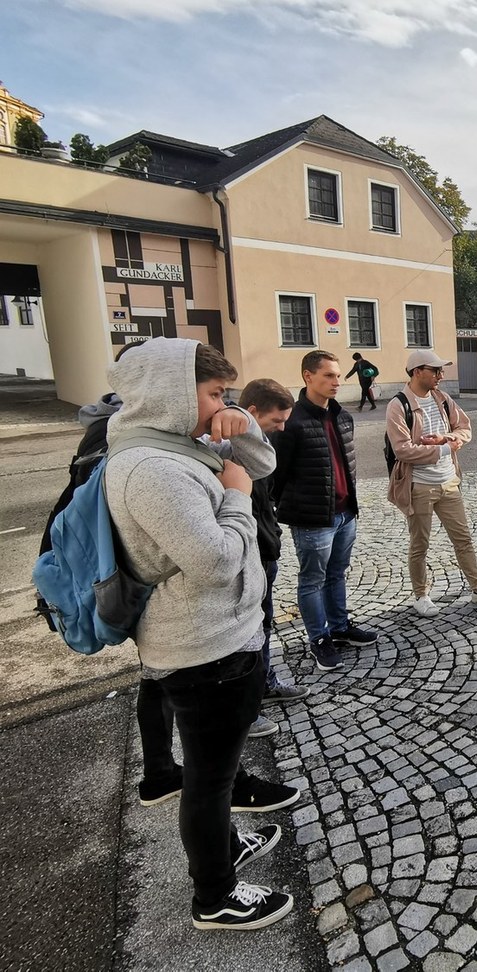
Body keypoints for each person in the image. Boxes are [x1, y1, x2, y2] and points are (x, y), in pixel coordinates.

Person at [103, 338, 294, 929]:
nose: (222, 404)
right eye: (214, 393)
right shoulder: (149, 468)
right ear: (171, 392)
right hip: (201, 645)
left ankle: (225, 846)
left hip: (219, 635)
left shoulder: (177, 442)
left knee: (216, 766)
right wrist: (236, 499)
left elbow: (262, 466)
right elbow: (215, 561)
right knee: (209, 783)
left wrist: (238, 430)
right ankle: (215, 895)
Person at [272, 350, 377, 672]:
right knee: (312, 579)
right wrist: (287, 507)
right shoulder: (291, 422)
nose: (336, 381)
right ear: (308, 377)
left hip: (346, 513)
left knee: (336, 573)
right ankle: (319, 638)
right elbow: (277, 474)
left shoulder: (342, 416)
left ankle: (340, 627)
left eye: (337, 375)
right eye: (329, 376)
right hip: (312, 520)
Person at [387, 350, 477, 612]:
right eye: (435, 371)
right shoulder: (399, 405)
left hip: (449, 481)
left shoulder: (442, 398)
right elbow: (402, 449)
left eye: (441, 370)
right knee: (420, 543)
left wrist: (446, 440)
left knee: (463, 538)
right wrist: (444, 449)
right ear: (417, 371)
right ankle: (421, 596)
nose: (441, 375)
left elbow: (465, 428)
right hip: (419, 485)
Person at [237, 379, 311, 703]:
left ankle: (264, 683)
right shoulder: (235, 450)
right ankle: (249, 702)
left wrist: (274, 532)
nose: (282, 428)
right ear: (252, 412)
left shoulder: (260, 445)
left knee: (263, 625)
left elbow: (267, 496)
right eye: (276, 420)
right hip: (248, 553)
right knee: (249, 632)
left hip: (266, 547)